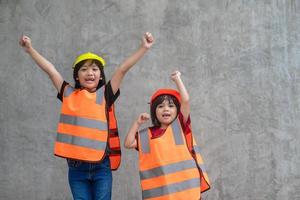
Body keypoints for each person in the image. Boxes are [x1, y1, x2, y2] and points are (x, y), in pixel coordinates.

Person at [19, 32, 154, 200]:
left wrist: (144, 48)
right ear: (77, 75)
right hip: (77, 168)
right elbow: (51, 71)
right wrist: (30, 49)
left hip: (101, 166)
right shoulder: (68, 94)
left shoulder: (105, 95)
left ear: (100, 76)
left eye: (94, 69)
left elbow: (122, 69)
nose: (90, 72)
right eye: (84, 69)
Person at [124, 71, 210, 200]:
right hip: (162, 195)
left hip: (187, 193)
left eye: (171, 106)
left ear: (177, 110)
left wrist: (177, 80)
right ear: (154, 111)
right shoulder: (146, 135)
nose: (166, 109)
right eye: (160, 106)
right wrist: (137, 123)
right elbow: (128, 143)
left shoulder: (180, 126)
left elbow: (185, 100)